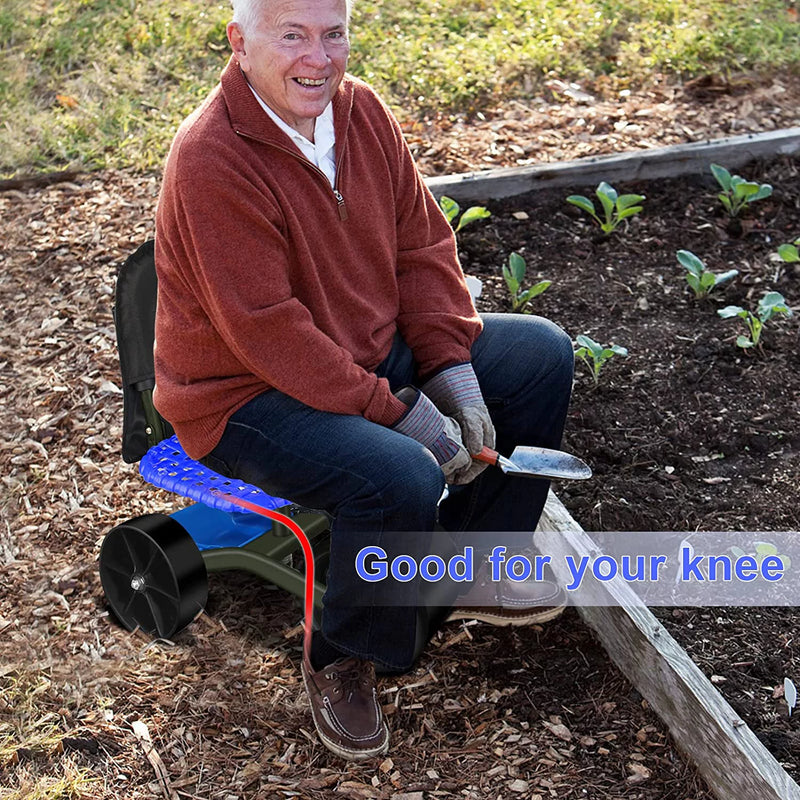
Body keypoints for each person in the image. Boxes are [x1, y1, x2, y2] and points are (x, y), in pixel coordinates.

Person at [153, 0, 574, 761]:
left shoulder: (363, 115)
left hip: (364, 354)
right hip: (244, 396)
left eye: (333, 34)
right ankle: (342, 654)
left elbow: (421, 245)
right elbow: (269, 333)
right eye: (292, 36)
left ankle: (473, 561)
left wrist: (450, 367)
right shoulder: (211, 159)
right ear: (239, 43)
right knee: (395, 474)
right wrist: (396, 412)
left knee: (539, 356)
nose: (319, 58)